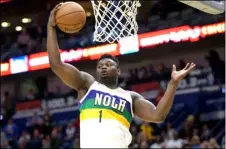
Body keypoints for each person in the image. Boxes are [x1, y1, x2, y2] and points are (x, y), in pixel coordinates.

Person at [47, 3, 196, 148]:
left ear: (118, 71)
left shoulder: (131, 97)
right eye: (100, 66)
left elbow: (158, 116)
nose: (103, 67)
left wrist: (172, 84)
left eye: (108, 65)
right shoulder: (87, 85)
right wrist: (51, 28)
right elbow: (56, 64)